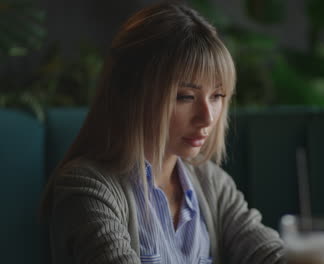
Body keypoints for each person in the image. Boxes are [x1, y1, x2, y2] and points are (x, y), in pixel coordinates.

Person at [41, 1, 286, 264]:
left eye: (217, 96)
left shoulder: (212, 183)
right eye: (185, 96)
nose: (207, 116)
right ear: (132, 94)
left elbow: (268, 252)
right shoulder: (87, 188)